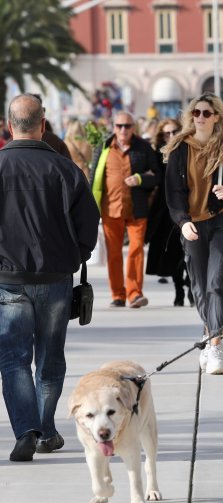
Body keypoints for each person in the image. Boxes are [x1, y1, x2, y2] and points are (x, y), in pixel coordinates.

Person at [0, 93, 100, 461]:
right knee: (50, 357)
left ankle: (27, 429)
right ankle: (45, 429)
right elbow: (89, 222)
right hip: (56, 275)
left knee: (13, 358)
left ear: (10, 125)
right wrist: (78, 254)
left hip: (9, 277)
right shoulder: (65, 169)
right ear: (42, 124)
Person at [163, 93, 223, 375]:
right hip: (193, 226)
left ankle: (216, 345)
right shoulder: (179, 149)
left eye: (206, 113)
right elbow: (174, 193)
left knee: (216, 284)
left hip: (222, 223)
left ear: (217, 117)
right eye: (196, 112)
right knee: (200, 288)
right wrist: (182, 221)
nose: (199, 117)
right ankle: (209, 329)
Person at [89, 111, 161, 308]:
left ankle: (135, 293)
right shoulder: (103, 147)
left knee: (136, 250)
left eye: (127, 126)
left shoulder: (144, 148)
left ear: (134, 127)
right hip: (110, 209)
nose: (123, 130)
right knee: (113, 254)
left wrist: (139, 179)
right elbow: (93, 176)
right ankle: (118, 294)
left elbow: (157, 176)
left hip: (137, 209)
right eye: (120, 126)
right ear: (114, 127)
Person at [145, 118, 193, 306]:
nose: (171, 136)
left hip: (187, 207)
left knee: (188, 252)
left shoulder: (187, 151)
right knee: (172, 254)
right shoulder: (156, 155)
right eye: (167, 133)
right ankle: (179, 289)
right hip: (164, 212)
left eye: (175, 132)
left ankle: (189, 285)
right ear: (161, 135)